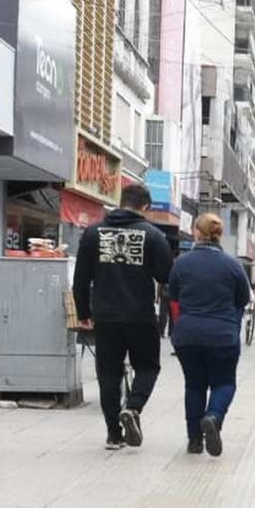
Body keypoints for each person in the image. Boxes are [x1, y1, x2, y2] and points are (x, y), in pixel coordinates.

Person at [72, 183, 173, 449]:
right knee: (148, 366)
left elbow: (80, 279)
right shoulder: (153, 235)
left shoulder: (93, 233)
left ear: (120, 201)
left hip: (105, 316)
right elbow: (166, 275)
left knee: (108, 373)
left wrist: (84, 313)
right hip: (140, 314)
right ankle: (133, 407)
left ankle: (113, 434)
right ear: (145, 207)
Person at [167, 213, 250, 457]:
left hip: (187, 334)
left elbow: (174, 300)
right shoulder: (233, 265)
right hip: (222, 334)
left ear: (196, 232)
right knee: (224, 382)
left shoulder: (181, 263)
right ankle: (213, 416)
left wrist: (179, 327)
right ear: (219, 234)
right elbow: (242, 300)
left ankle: (194, 441)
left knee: (194, 385)